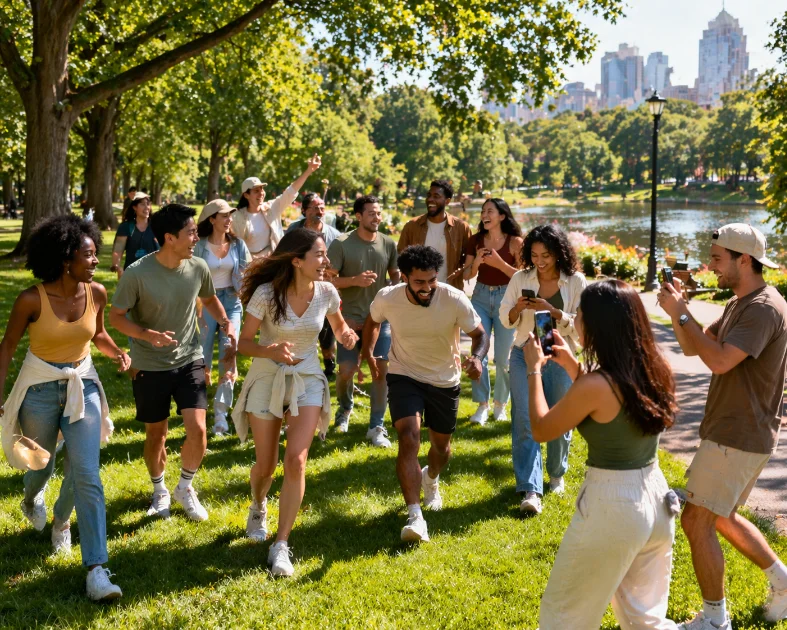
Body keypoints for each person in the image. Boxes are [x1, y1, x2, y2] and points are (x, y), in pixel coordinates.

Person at [525, 279, 680, 630]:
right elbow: (614, 405)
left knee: (563, 616)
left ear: (598, 326)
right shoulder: (656, 368)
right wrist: (573, 369)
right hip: (656, 501)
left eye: (580, 312)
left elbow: (541, 429)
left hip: (615, 506)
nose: (575, 317)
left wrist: (534, 368)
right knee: (645, 620)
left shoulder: (595, 385)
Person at [658, 223, 787, 628]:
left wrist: (680, 312)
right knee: (721, 516)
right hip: (732, 430)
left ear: (743, 259)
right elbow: (692, 346)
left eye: (717, 258)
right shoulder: (738, 303)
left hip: (739, 433)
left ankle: (714, 621)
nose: (709, 265)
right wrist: (680, 306)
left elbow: (718, 361)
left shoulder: (764, 307)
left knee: (696, 521)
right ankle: (783, 582)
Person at [0, 215, 130, 601]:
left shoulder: (98, 293)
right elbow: (7, 346)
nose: (95, 260)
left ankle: (93, 565)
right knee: (41, 463)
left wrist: (118, 352)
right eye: (88, 255)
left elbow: (100, 333)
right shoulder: (30, 299)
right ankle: (31, 498)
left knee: (87, 472)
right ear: (64, 259)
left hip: (82, 385)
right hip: (39, 388)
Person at [232, 229, 358, 577]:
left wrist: (347, 335)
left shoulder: (327, 292)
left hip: (308, 379)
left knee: (296, 461)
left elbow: (340, 326)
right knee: (266, 465)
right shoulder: (266, 293)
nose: (325, 261)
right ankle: (258, 505)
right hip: (267, 376)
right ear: (297, 260)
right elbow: (243, 344)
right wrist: (268, 349)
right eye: (319, 254)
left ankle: (281, 544)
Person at [109, 204, 237, 523]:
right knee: (157, 435)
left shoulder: (197, 267)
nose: (197, 237)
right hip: (150, 365)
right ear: (169, 238)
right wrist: (146, 335)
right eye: (191, 232)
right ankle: (160, 490)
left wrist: (225, 322)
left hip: (189, 358)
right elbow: (115, 317)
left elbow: (208, 298)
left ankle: (185, 487)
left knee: (198, 429)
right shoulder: (137, 274)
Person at [362, 245, 488, 542]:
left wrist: (479, 358)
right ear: (404, 277)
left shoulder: (453, 298)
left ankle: (431, 478)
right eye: (419, 282)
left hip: (444, 378)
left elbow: (480, 334)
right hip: (404, 374)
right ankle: (416, 517)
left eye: (431, 280)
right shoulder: (387, 297)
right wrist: (368, 353)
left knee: (441, 449)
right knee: (408, 438)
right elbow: (373, 321)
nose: (427, 287)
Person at [500, 224, 587, 515]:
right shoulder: (520, 278)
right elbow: (505, 318)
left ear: (559, 253)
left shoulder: (576, 282)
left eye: (546, 255)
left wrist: (553, 311)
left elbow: (581, 327)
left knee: (560, 418)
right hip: (525, 352)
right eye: (535, 254)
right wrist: (518, 309)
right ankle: (530, 488)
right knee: (524, 419)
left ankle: (556, 473)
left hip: (559, 353)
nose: (540, 261)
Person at [327, 195, 400, 445]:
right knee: (346, 370)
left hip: (379, 319)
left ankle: (376, 426)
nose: (377, 217)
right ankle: (345, 408)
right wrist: (354, 280)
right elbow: (326, 280)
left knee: (380, 370)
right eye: (371, 213)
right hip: (347, 319)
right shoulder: (341, 244)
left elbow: (396, 278)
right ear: (358, 216)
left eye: (378, 213)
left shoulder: (389, 244)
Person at [463, 198, 523, 425]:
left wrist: (499, 264)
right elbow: (467, 275)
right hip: (479, 296)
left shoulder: (516, 242)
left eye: (490, 211)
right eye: (482, 211)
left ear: (502, 216)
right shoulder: (475, 240)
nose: (484, 214)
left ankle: (500, 405)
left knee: (503, 357)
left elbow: (522, 277)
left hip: (506, 298)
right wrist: (477, 261)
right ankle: (482, 406)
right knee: (479, 352)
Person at [193, 199, 251, 436]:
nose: (229, 220)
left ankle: (221, 416)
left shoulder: (238, 245)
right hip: (204, 302)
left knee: (230, 354)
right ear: (212, 219)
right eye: (224, 216)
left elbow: (248, 274)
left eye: (230, 216)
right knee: (201, 357)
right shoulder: (199, 246)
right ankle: (197, 409)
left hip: (232, 302)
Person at [286, 192, 342, 379]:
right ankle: (294, 361)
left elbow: (337, 266)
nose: (319, 211)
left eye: (322, 207)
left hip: (323, 289)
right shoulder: (294, 231)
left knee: (327, 332)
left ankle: (329, 364)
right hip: (297, 287)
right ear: (304, 210)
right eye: (315, 207)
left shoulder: (334, 236)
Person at [234, 154, 322, 259]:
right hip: (248, 267)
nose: (261, 193)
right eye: (256, 191)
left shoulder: (272, 208)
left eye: (262, 189)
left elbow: (291, 191)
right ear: (246, 195)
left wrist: (309, 170)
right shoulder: (237, 217)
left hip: (271, 265)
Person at [397, 180, 472, 290]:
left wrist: (460, 271)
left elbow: (470, 257)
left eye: (436, 196)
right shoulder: (412, 226)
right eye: (429, 195)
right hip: (418, 292)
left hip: (449, 291)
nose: (430, 199)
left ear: (447, 201)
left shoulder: (461, 228)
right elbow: (401, 256)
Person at [110, 191, 159, 278]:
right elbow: (118, 249)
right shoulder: (126, 227)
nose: (146, 207)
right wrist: (116, 266)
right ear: (134, 207)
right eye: (142, 204)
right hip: (132, 274)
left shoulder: (156, 226)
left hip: (153, 274)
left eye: (148, 204)